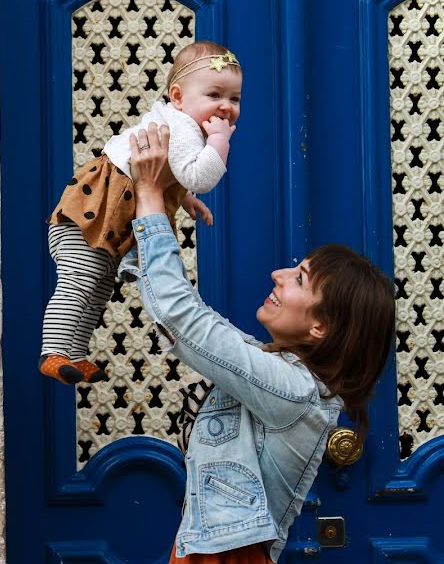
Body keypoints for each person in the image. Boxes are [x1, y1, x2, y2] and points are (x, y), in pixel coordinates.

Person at [122, 122, 396, 563]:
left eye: (299, 279)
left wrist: (152, 199)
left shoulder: (293, 390)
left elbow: (184, 319)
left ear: (320, 328)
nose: (278, 275)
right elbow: (189, 324)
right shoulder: (281, 373)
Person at [40, 41, 242, 384]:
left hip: (107, 220)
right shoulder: (183, 128)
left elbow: (175, 174)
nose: (225, 106)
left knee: (99, 287)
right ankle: (54, 351)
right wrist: (219, 143)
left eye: (234, 98)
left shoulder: (177, 123)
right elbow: (199, 176)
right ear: (177, 97)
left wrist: (186, 199)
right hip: (91, 217)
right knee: (79, 283)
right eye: (214, 95)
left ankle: (74, 354)